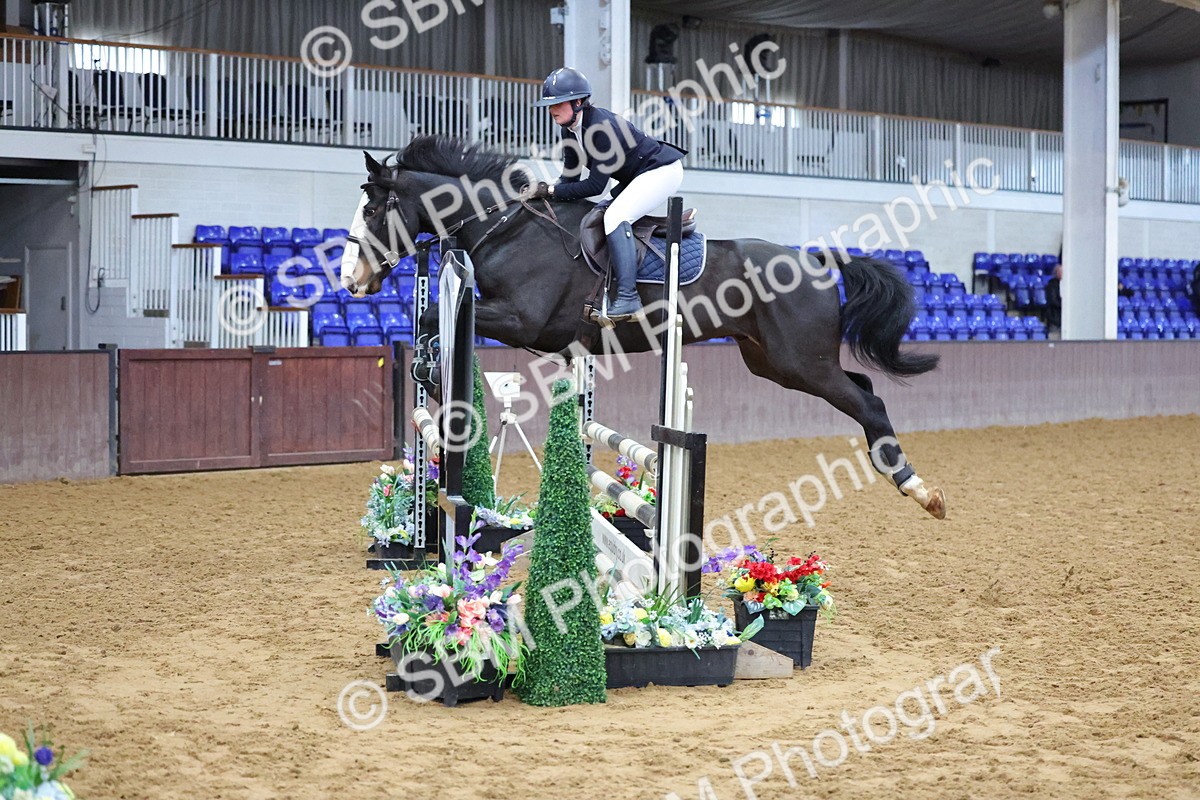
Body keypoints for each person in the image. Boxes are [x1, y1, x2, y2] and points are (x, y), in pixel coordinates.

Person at [529, 67, 686, 321]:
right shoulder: (569, 130)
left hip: (661, 171)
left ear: (578, 102)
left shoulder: (601, 128)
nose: (551, 110)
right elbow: (569, 178)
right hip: (637, 175)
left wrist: (551, 190)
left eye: (558, 103)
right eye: (550, 105)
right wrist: (545, 194)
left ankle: (628, 297)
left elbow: (595, 186)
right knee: (599, 213)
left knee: (615, 217)